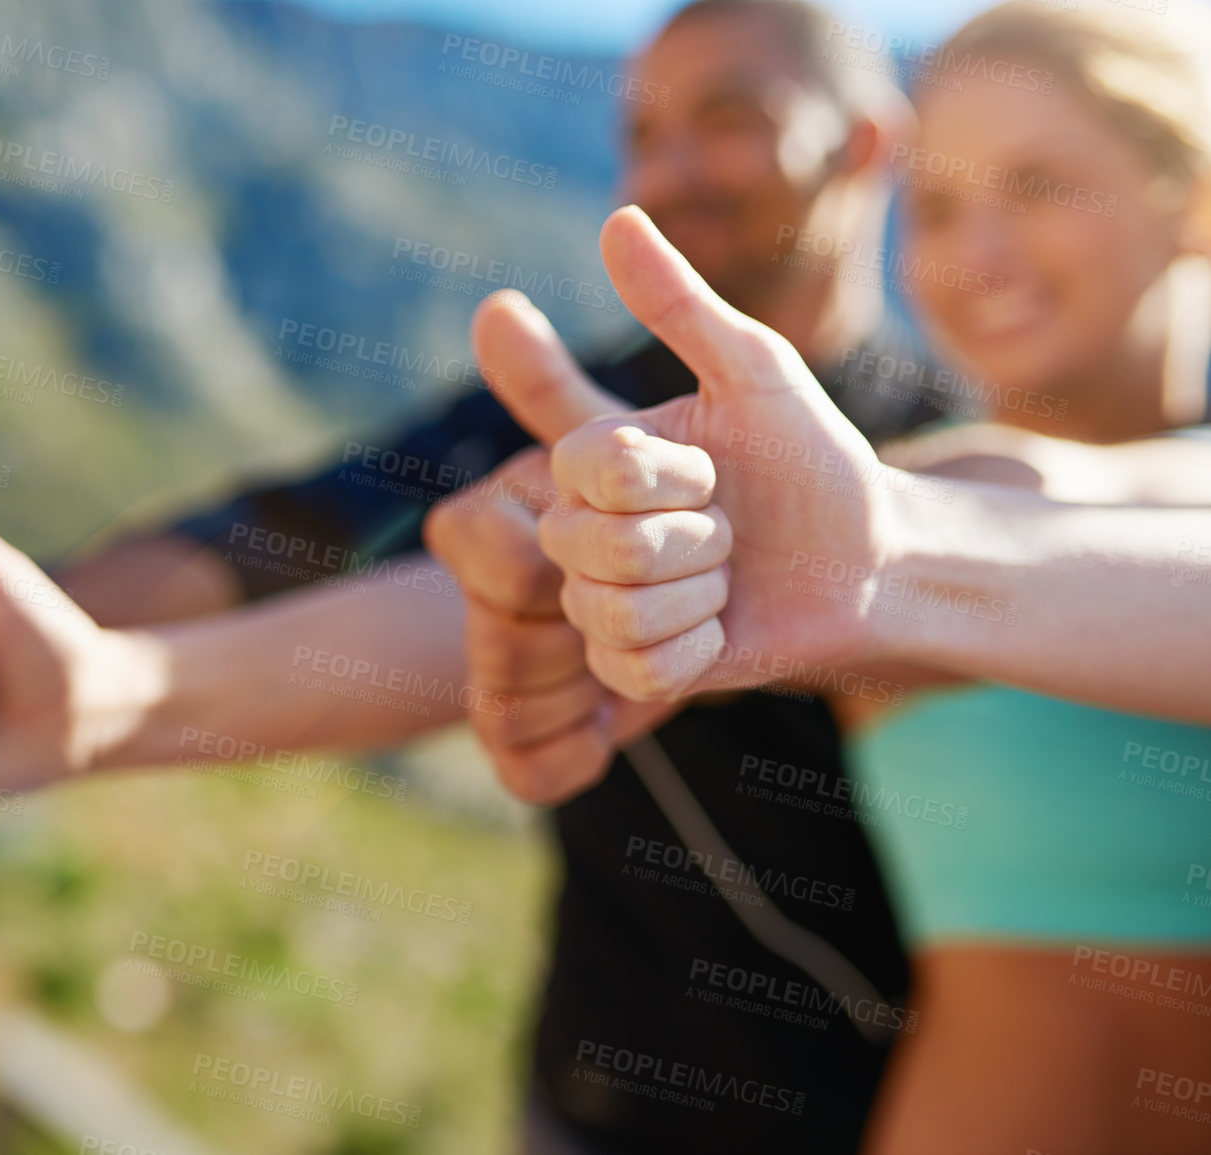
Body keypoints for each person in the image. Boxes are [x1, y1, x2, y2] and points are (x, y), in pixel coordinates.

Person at [0, 2, 952, 1150]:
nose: (670, 172)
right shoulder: (578, 407)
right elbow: (288, 534)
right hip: (580, 1105)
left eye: (729, 122)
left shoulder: (952, 456)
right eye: (642, 133)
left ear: (862, 146)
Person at [459, 8, 1211, 1150]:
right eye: (944, 207)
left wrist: (897, 555)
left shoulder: (932, 505)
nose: (979, 252)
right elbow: (452, 619)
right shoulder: (925, 483)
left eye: (1043, 183)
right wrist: (143, 692)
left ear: (1190, 197)